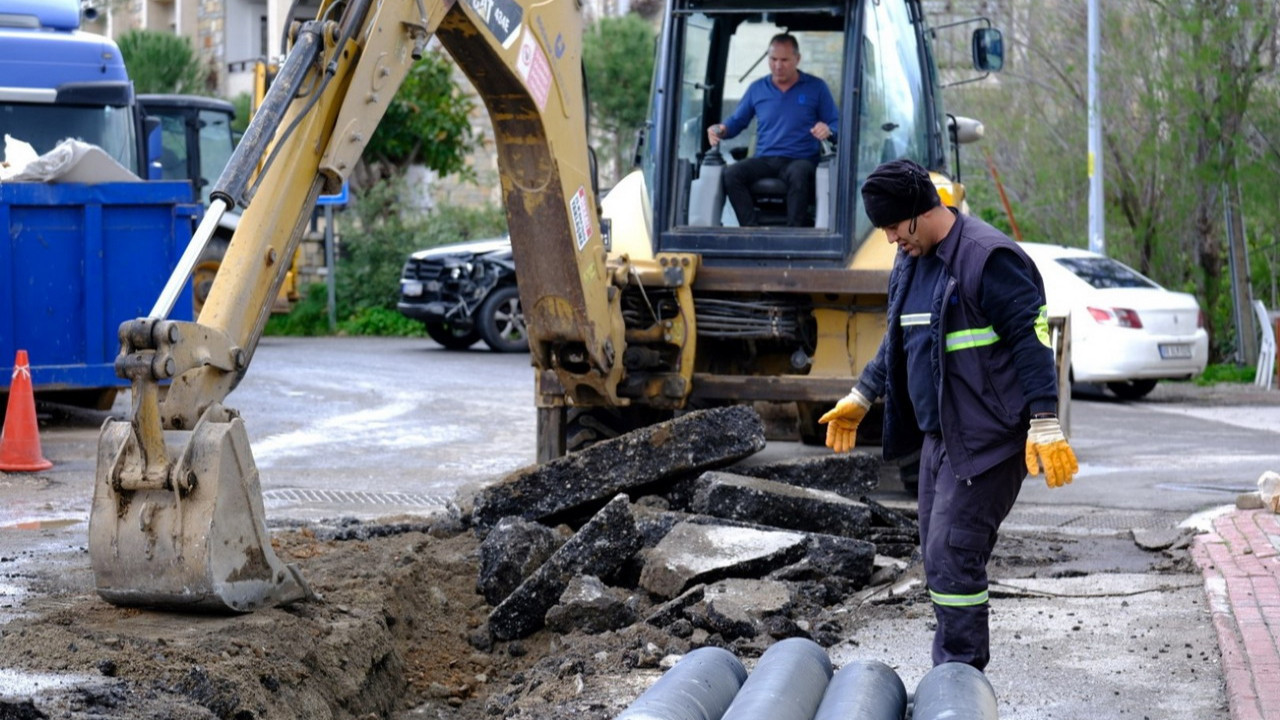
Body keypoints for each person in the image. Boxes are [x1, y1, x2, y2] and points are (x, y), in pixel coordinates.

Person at [818, 158, 1078, 672]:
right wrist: (864, 393)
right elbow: (899, 338)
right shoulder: (912, 261)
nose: (891, 238)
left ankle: (958, 679)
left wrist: (1044, 419)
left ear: (920, 211)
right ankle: (954, 678)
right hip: (940, 438)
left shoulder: (987, 258)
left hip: (989, 439)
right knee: (937, 558)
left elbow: (1032, 341)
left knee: (954, 555)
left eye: (894, 225)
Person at [707, 33, 838, 227]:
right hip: (765, 160)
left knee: (799, 173)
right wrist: (721, 129)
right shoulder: (757, 89)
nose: (778, 65)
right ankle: (750, 231)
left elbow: (836, 123)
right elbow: (737, 121)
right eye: (773, 59)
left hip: (800, 159)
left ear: (797, 59)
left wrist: (828, 129)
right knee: (731, 174)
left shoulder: (816, 88)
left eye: (784, 60)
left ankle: (795, 234)